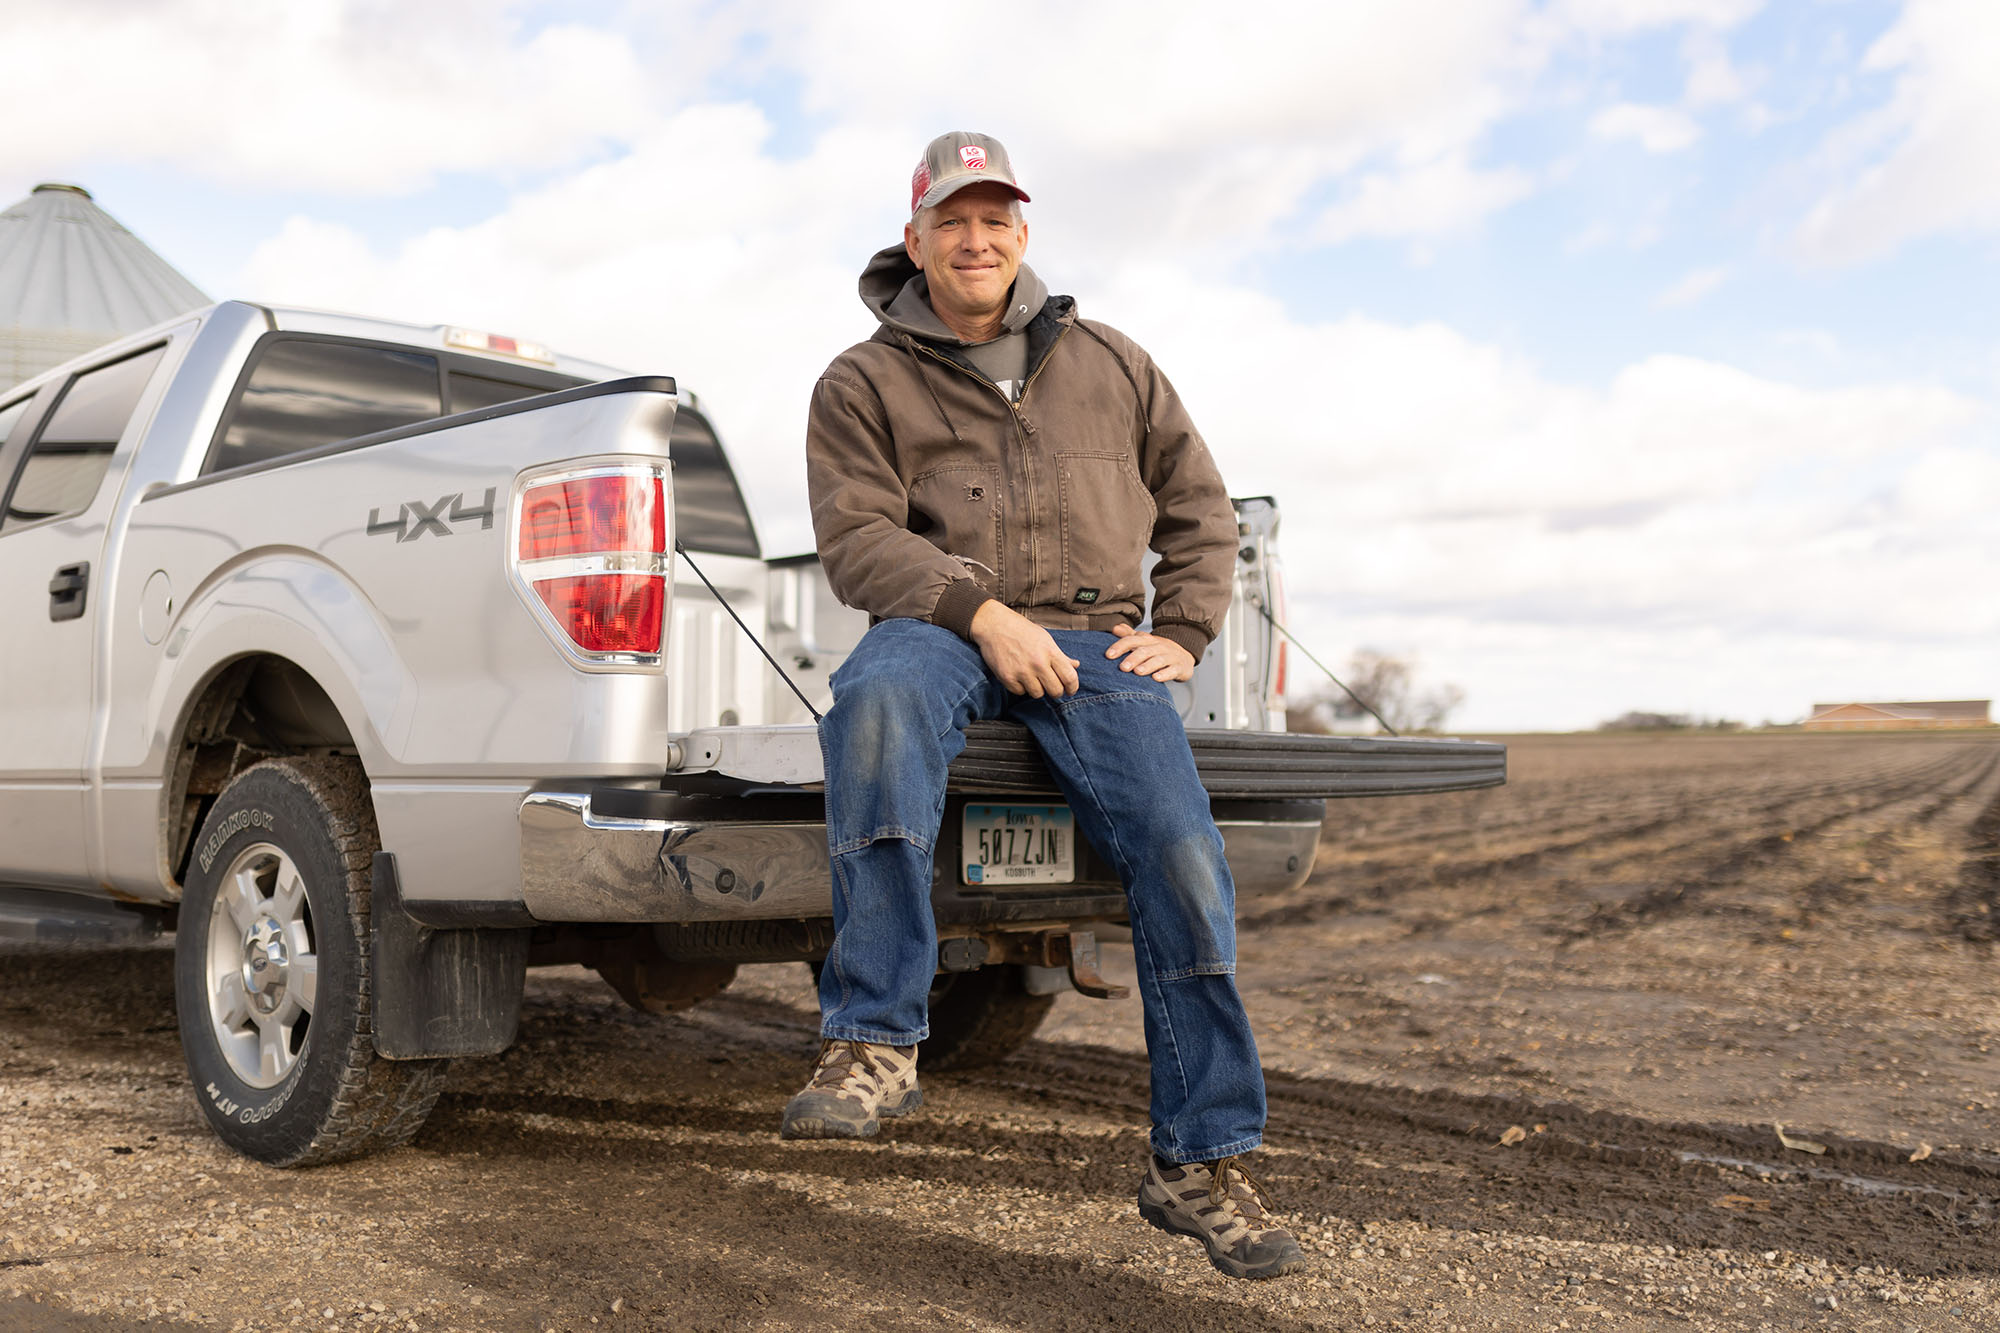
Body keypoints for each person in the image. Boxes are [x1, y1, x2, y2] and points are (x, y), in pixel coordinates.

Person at [783, 131, 1305, 1281]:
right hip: (935, 628)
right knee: (869, 710)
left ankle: (1197, 1159)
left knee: (1180, 857)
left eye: (996, 218)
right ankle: (872, 1041)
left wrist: (1178, 632)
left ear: (1023, 234)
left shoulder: (1112, 363)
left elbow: (1197, 505)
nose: (975, 239)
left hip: (1093, 642)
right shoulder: (860, 380)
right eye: (951, 220)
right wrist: (978, 614)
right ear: (913, 238)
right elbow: (859, 539)